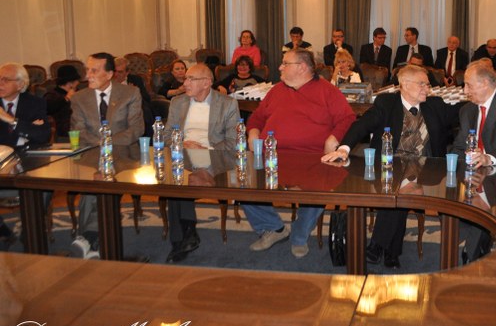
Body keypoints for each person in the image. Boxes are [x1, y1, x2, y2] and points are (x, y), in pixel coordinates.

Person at [322, 64, 460, 268]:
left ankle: (377, 246)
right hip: (389, 166)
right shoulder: (386, 103)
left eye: (427, 85)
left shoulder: (435, 105)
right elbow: (362, 125)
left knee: (400, 192)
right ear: (405, 84)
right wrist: (344, 148)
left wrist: (482, 97)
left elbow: (462, 112)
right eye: (422, 84)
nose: (427, 89)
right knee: (400, 192)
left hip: (426, 170)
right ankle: (391, 253)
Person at [242, 49, 355, 258]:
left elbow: (347, 119)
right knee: (242, 183)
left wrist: (333, 139)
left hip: (311, 158)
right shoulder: (277, 90)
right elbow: (257, 117)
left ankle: (300, 235)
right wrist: (253, 133)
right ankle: (273, 228)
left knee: (317, 189)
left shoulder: (327, 91)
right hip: (271, 155)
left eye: (285, 63)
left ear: (302, 67)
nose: (280, 67)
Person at [70, 52, 143, 258]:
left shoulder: (130, 93)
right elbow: (79, 130)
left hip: (124, 156)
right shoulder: (79, 98)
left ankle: (87, 238)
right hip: (91, 156)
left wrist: (107, 142)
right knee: (93, 187)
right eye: (87, 70)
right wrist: (101, 145)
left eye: (94, 70)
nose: (88, 75)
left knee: (102, 184)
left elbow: (135, 129)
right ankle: (94, 241)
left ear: (110, 74)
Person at [165, 63, 239, 263]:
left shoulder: (227, 104)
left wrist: (206, 150)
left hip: (214, 157)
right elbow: (166, 135)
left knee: (182, 184)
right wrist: (181, 143)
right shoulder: (178, 102)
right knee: (174, 183)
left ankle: (184, 237)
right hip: (183, 155)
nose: (185, 83)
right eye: (186, 78)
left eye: (191, 79)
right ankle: (184, 236)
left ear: (206, 83)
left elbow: (233, 141)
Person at [0, 62, 50, 148]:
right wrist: (26, 131)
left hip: (26, 155)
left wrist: (11, 120)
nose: (0, 83)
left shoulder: (35, 103)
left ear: (20, 85)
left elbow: (43, 136)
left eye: (6, 80)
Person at [114, 57, 154, 137]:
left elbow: (146, 98)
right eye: (114, 71)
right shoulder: (108, 81)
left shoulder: (136, 80)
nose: (116, 74)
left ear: (127, 72)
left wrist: (135, 93)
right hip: (116, 108)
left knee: (145, 110)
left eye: (120, 72)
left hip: (134, 107)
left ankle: (147, 140)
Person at [44, 64, 82, 140]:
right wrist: (66, 99)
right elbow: (47, 109)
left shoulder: (79, 93)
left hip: (82, 130)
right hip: (63, 134)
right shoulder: (51, 95)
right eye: (76, 80)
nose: (78, 82)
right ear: (70, 83)